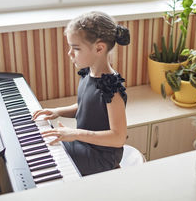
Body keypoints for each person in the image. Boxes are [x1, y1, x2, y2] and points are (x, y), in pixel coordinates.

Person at [32, 11, 130, 176]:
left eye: (76, 48)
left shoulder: (111, 86)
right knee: (45, 147)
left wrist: (74, 133)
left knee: (47, 155)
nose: (70, 53)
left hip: (101, 156)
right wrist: (58, 112)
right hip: (84, 144)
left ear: (99, 48)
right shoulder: (88, 74)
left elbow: (118, 137)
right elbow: (87, 106)